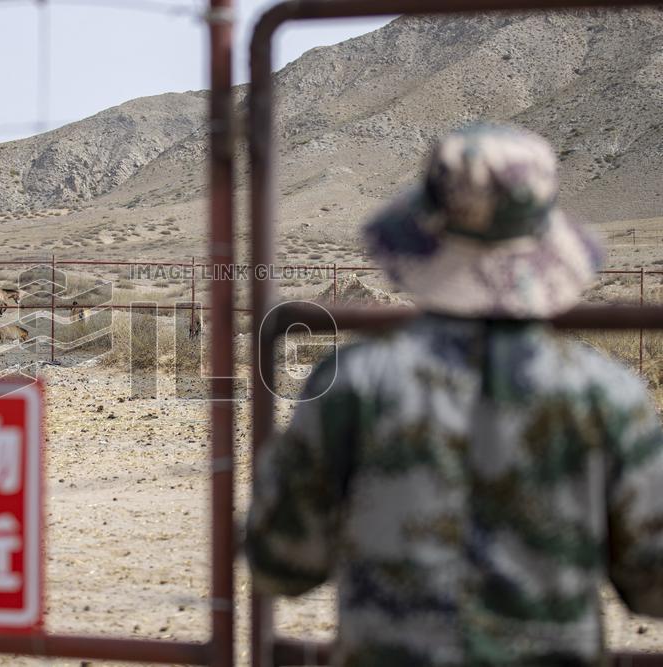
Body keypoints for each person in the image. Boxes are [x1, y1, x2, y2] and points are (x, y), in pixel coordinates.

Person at [246, 124, 663, 666]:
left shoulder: (352, 383)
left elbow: (281, 564)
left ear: (426, 233)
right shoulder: (608, 395)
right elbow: (652, 584)